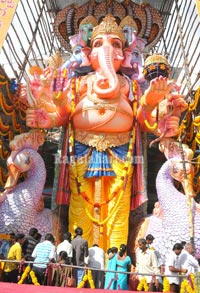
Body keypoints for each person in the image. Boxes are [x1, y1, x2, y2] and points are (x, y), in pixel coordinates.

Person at [25, 14, 188, 250]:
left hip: (121, 151)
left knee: (118, 208)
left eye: (116, 44)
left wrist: (152, 101)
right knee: (81, 204)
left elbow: (143, 122)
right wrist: (51, 102)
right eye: (99, 43)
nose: (107, 49)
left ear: (123, 55)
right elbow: (62, 116)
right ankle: (78, 258)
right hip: (81, 149)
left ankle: (115, 255)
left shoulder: (128, 85)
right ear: (89, 54)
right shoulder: (79, 83)